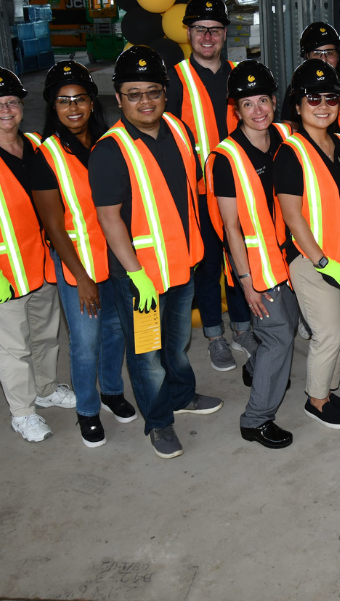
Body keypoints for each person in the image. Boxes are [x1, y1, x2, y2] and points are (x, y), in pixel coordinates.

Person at [90, 46, 223, 459]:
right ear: (119, 97)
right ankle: (159, 421)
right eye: (134, 94)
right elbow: (110, 220)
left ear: (165, 93)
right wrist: (136, 274)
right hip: (141, 279)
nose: (145, 101)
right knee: (147, 354)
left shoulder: (179, 130)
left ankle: (182, 395)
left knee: (178, 341)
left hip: (181, 267)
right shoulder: (110, 150)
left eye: (152, 92)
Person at [0, 67, 74, 442]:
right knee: (12, 347)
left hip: (38, 265)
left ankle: (46, 388)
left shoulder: (37, 146)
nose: (6, 110)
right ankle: (22, 412)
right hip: (1, 272)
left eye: (12, 102)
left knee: (45, 335)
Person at [30, 61, 137, 447]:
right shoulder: (47, 155)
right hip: (79, 262)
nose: (72, 108)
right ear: (53, 107)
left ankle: (110, 391)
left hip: (115, 257)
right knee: (86, 340)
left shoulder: (111, 143)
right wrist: (83, 279)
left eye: (79, 99)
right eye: (63, 101)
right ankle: (87, 411)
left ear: (92, 102)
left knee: (115, 332)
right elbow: (55, 228)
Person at [166, 0, 258, 373]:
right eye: (199, 29)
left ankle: (241, 328)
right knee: (205, 267)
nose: (207, 37)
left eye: (214, 29)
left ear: (225, 33)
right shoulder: (174, 79)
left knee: (241, 259)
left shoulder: (241, 76)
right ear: (188, 32)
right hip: (196, 195)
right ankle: (214, 337)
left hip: (237, 189)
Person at [275, 60, 340, 430]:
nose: (323, 105)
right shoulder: (290, 153)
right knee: (327, 333)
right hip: (312, 260)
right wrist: (320, 260)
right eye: (312, 98)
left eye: (331, 97)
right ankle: (315, 401)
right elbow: (292, 216)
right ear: (297, 105)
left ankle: (328, 389)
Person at [211, 61, 301, 449]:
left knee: (286, 330)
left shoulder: (285, 136)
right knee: (280, 339)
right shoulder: (225, 158)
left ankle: (257, 367)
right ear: (237, 110)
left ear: (274, 101)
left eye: (263, 100)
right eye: (248, 104)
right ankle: (256, 419)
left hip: (291, 259)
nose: (258, 110)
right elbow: (230, 226)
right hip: (259, 269)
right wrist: (244, 282)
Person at [281, 22, 340, 122]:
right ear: (307, 57)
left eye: (329, 53)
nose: (323, 59)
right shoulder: (297, 88)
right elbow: (290, 128)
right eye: (317, 53)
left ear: (338, 56)